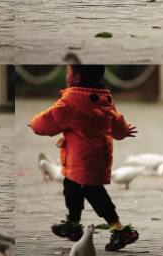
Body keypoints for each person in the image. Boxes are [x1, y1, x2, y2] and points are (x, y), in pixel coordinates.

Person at [29, 65, 140, 251]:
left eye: (69, 72)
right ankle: (73, 223)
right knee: (71, 185)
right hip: (97, 156)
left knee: (93, 192)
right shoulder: (105, 99)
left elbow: (47, 122)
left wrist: (33, 124)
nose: (67, 75)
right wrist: (124, 131)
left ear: (78, 77)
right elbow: (117, 126)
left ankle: (119, 229)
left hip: (81, 159)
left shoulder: (71, 100)